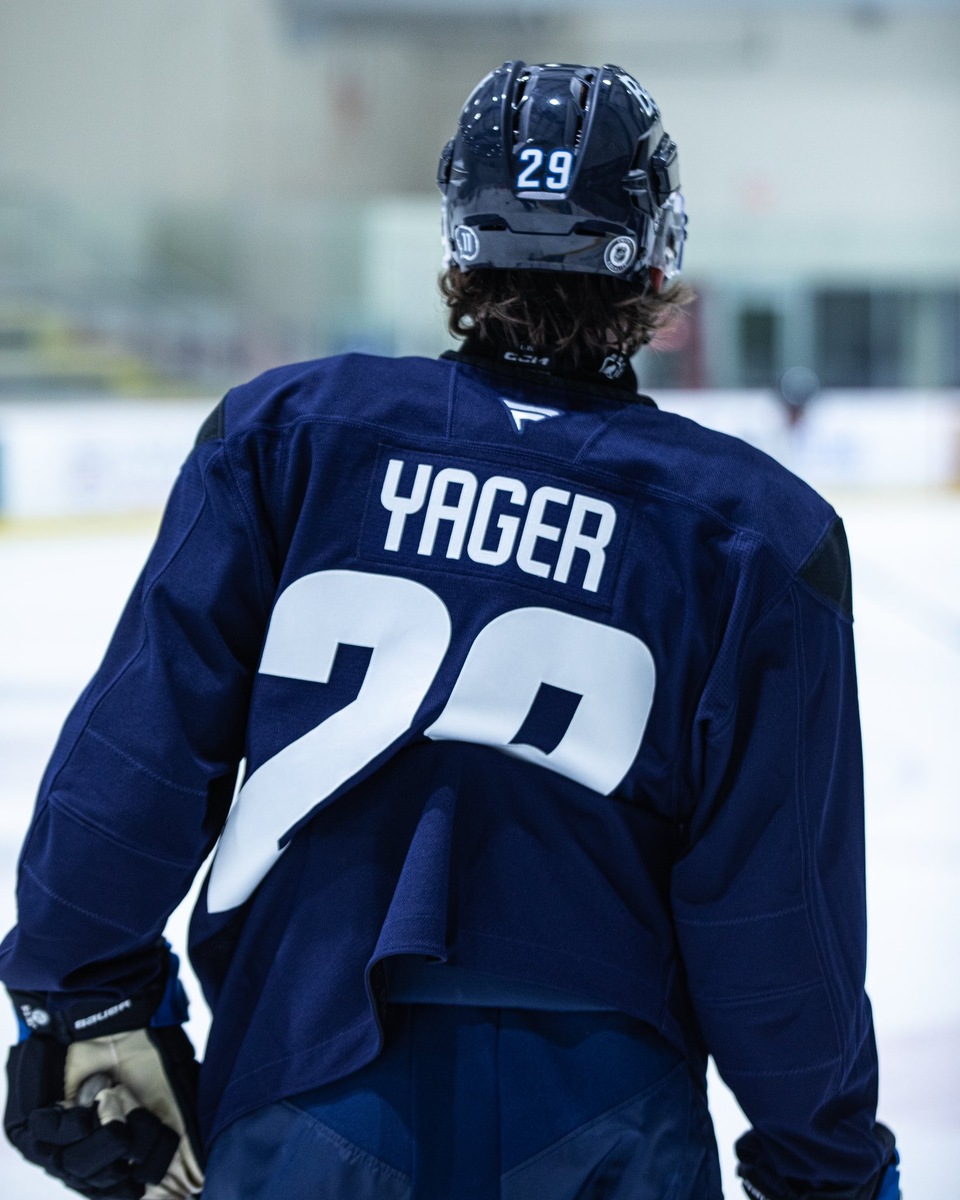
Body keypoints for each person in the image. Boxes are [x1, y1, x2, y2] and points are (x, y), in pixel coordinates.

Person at [0, 60, 899, 1200]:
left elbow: (136, 759)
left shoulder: (284, 438)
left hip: (305, 1074)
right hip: (607, 1114)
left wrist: (81, 1001)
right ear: (658, 252)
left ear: (458, 243)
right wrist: (827, 1169)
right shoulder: (759, 535)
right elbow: (779, 920)